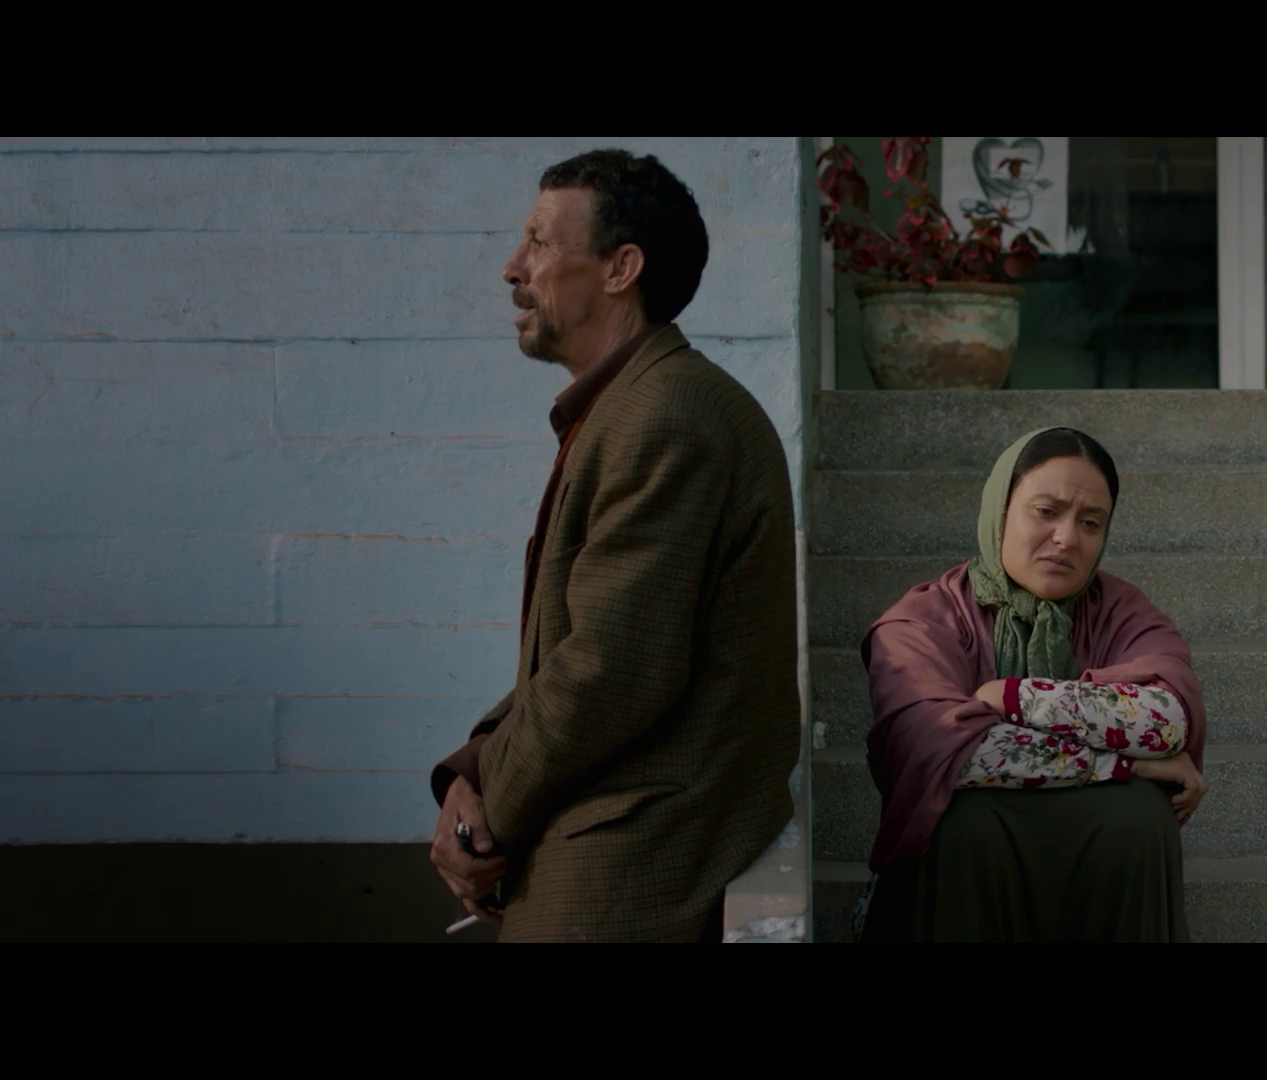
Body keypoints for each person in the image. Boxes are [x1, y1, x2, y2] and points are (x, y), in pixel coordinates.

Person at [424, 149, 800, 942]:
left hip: (633, 856)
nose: (511, 268)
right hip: (604, 828)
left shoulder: (666, 416)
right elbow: (583, 650)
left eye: (539, 242)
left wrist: (485, 814)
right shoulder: (638, 404)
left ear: (621, 269)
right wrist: (473, 768)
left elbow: (613, 668)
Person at [856, 427, 1208, 942]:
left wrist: (1011, 697)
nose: (1067, 538)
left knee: (1139, 817)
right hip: (969, 863)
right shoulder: (921, 622)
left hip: (1101, 841)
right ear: (1000, 510)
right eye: (1046, 511)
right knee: (961, 822)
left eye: (1090, 522)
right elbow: (945, 752)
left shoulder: (1122, 612)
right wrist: (1122, 764)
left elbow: (1166, 718)